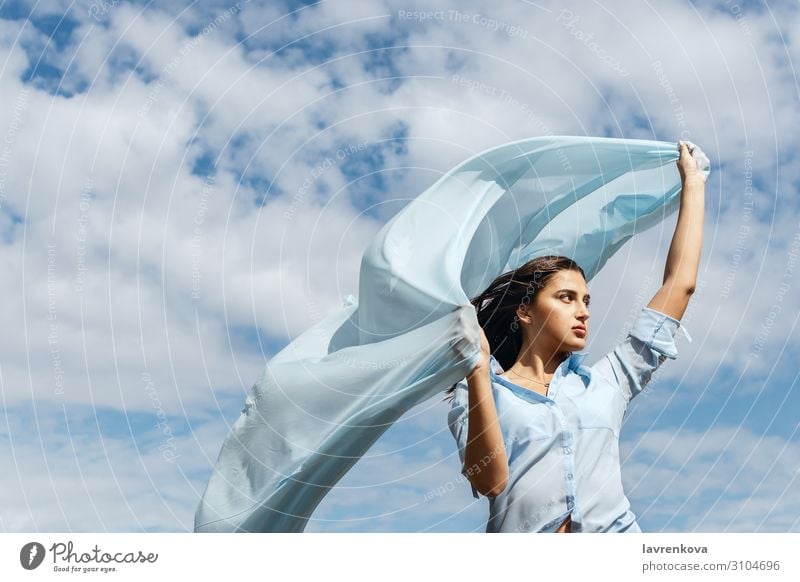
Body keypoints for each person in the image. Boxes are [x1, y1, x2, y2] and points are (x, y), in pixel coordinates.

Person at [445, 141, 706, 533]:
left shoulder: (609, 382)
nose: (583, 310)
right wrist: (479, 371)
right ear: (525, 310)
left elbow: (679, 285)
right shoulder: (480, 391)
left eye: (586, 299)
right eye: (566, 298)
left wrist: (694, 184)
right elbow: (490, 481)